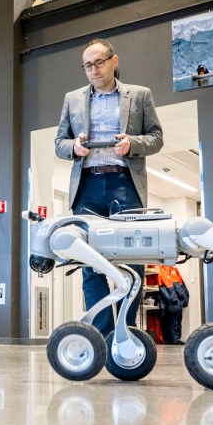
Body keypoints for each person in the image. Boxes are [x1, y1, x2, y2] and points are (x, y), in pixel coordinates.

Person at [54, 38, 164, 337]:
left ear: (114, 61)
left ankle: (126, 331)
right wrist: (73, 147)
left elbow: (156, 137)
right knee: (90, 264)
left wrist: (132, 144)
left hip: (124, 183)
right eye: (87, 65)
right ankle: (101, 336)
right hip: (87, 186)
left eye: (99, 63)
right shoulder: (72, 99)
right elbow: (59, 143)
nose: (93, 70)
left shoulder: (139, 95)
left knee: (132, 262)